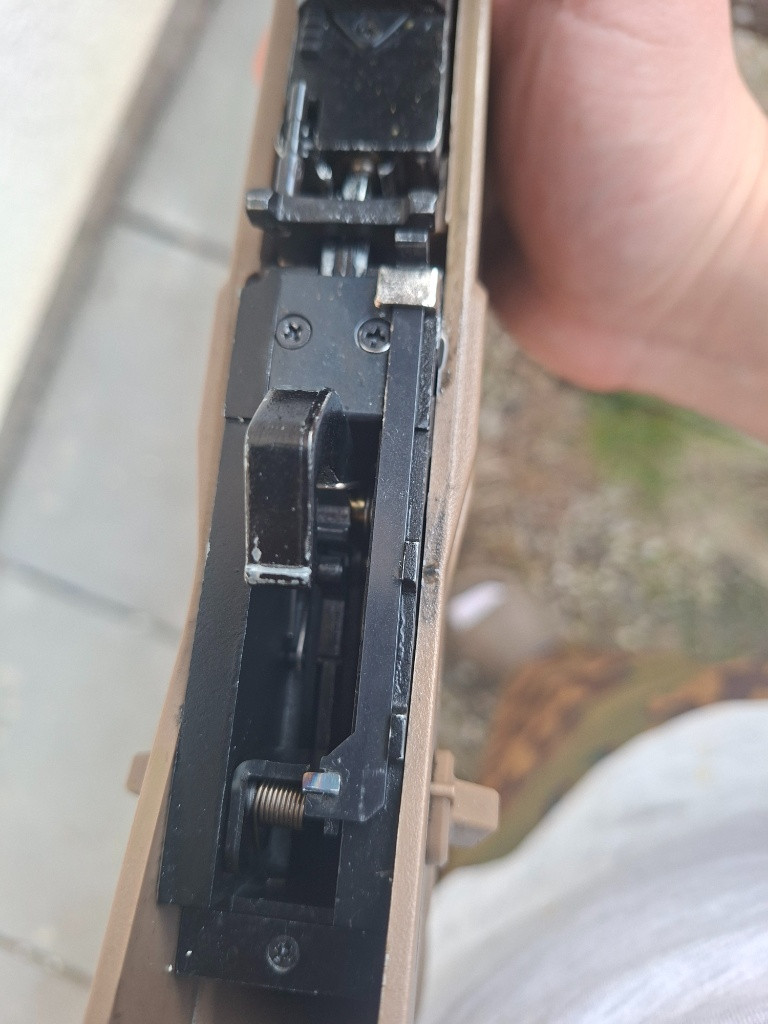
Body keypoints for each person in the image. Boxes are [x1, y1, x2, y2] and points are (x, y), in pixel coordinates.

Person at [418, 3, 768, 1021]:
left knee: (553, 759)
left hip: (490, 952)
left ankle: (544, 689)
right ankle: (547, 671)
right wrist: (715, 260)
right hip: (730, 760)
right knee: (606, 701)